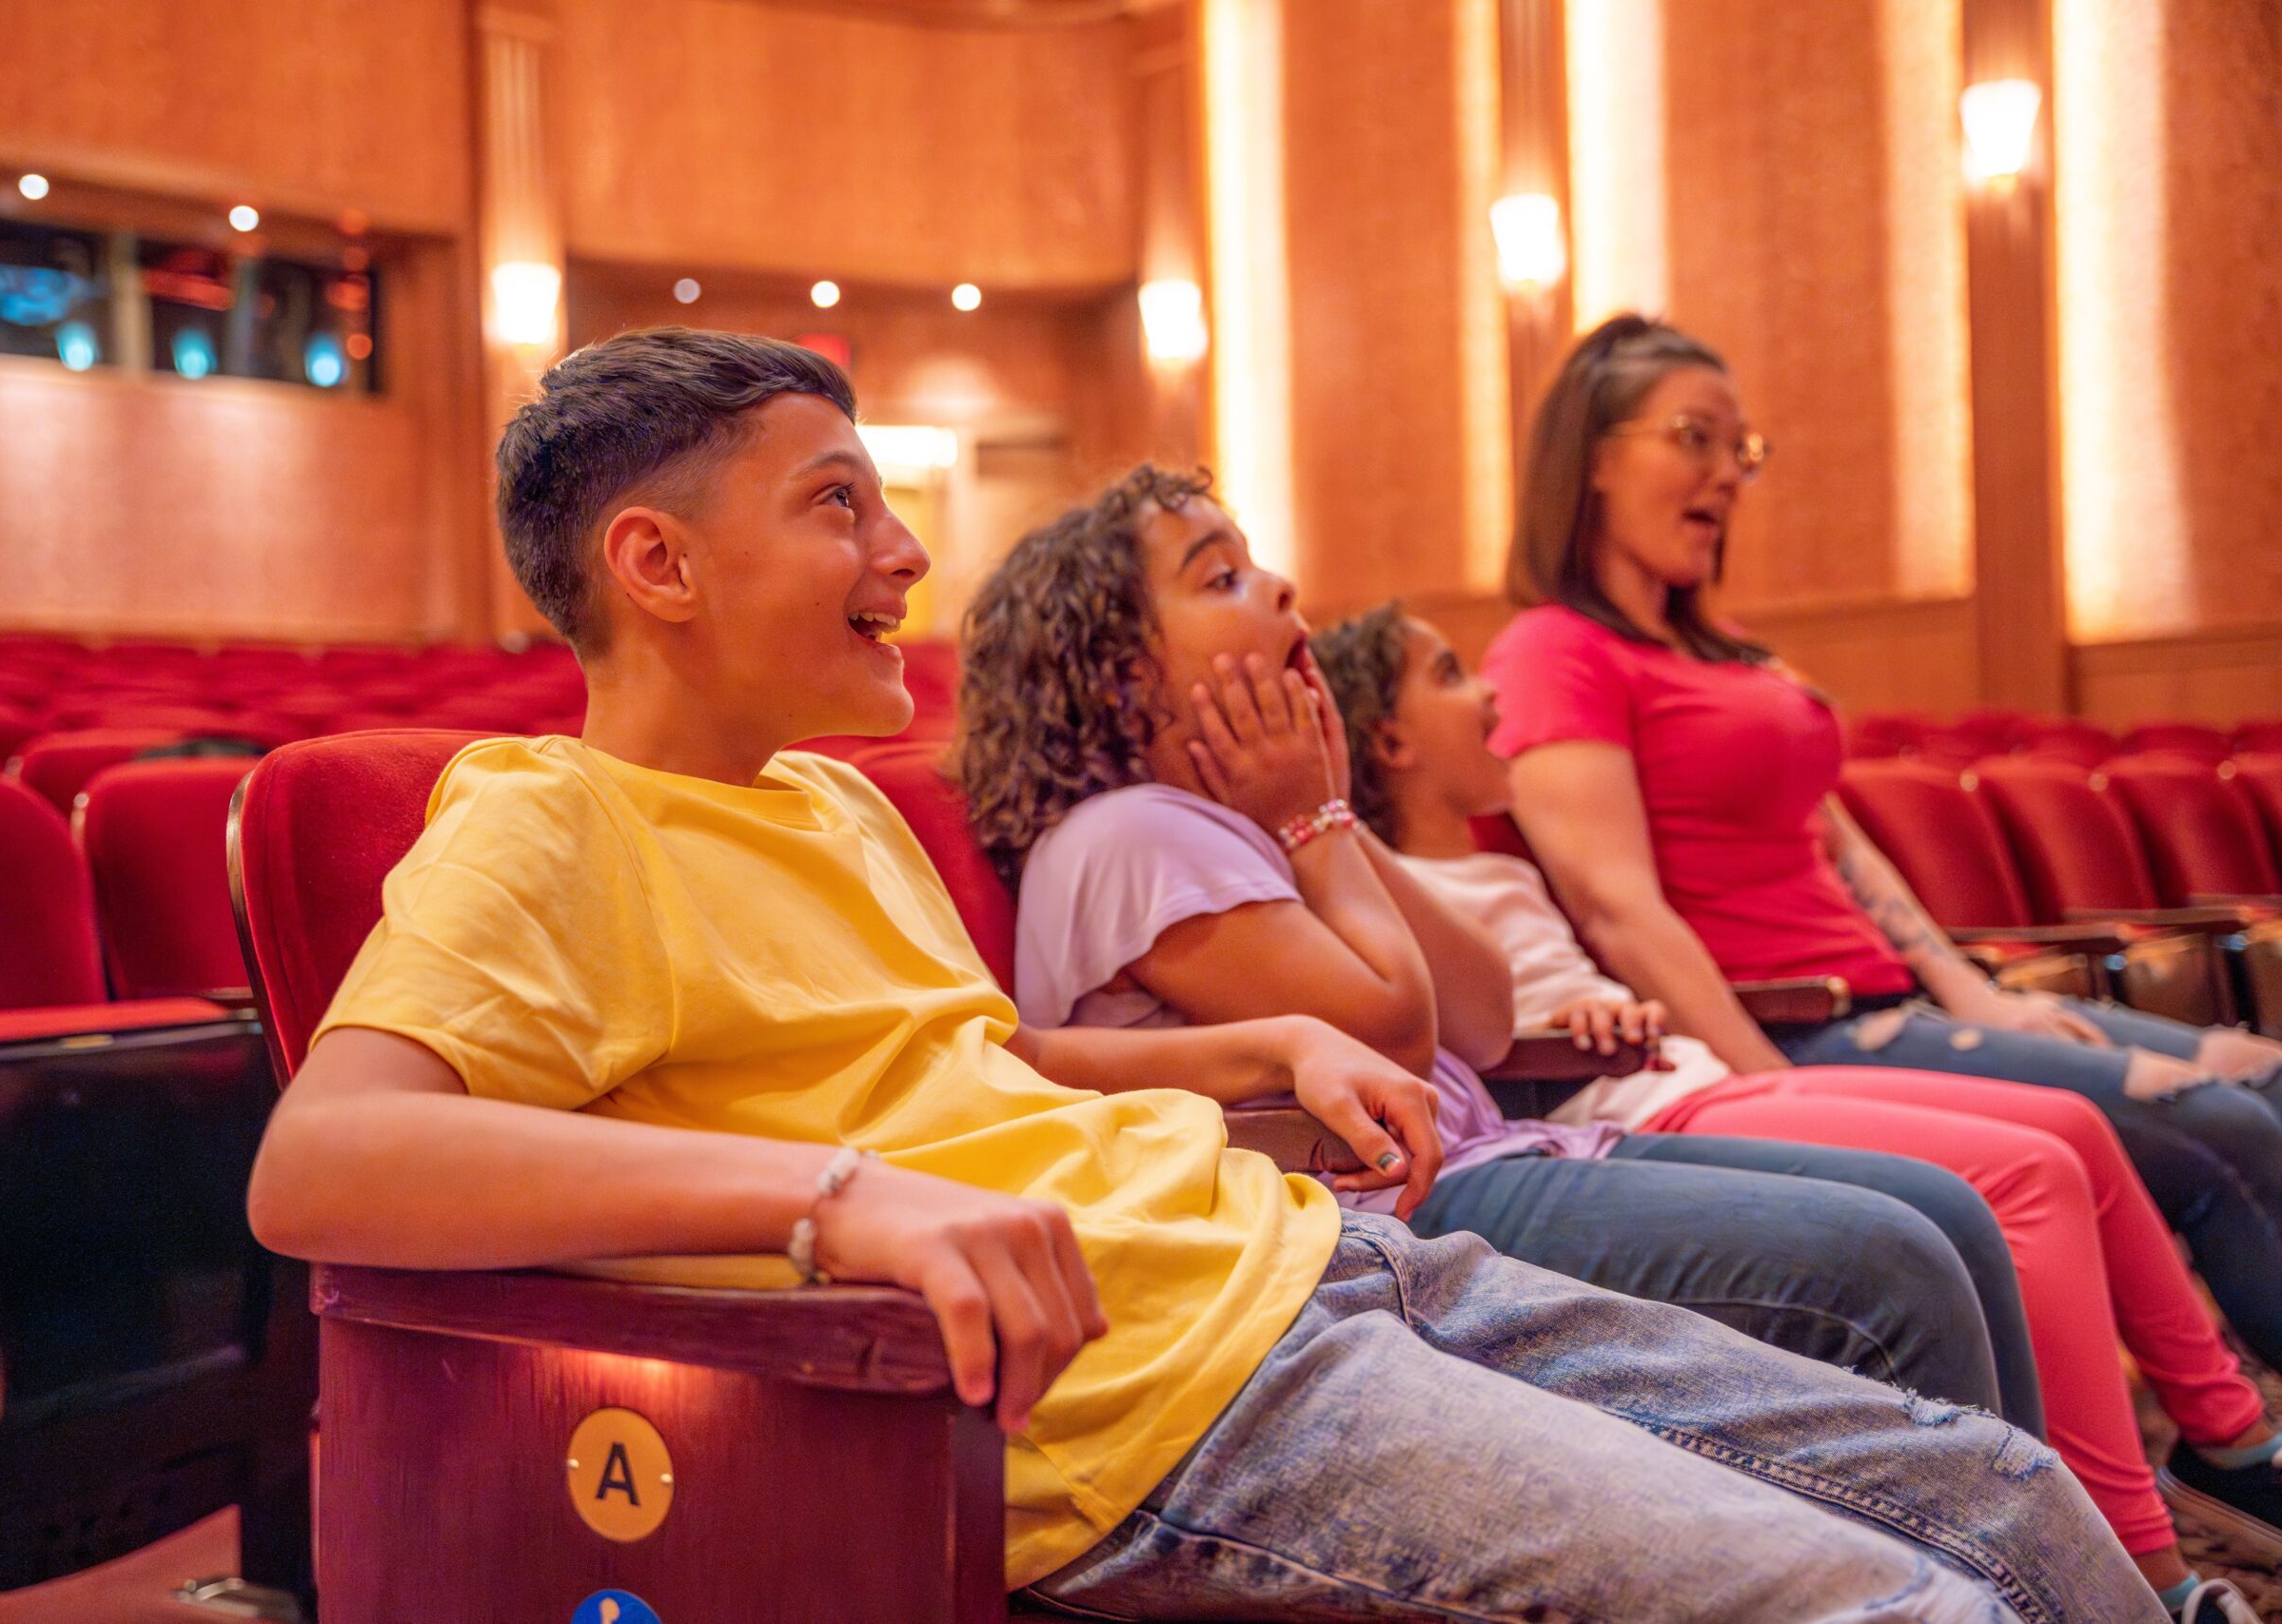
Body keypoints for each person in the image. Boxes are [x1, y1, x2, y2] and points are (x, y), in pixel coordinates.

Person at [244, 327, 2160, 1623]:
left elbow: (975, 1071)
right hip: (1158, 1408)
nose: (907, 551)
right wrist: (831, 1197)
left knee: (1985, 1487)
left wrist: (1244, 1043)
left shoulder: (827, 811)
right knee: (1899, 1604)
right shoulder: (540, 826)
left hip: (1321, 1260)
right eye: (838, 502)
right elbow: (322, 1166)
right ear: (653, 563)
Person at [956, 463, 2029, 1415]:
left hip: (1489, 1159)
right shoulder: (1127, 837)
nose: (1281, 588)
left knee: (1944, 1211)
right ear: (1120, 678)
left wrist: (1328, 812)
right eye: (1220, 577)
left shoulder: (1249, 822)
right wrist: (1317, 825)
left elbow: (1480, 1010)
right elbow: (1398, 1041)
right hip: (1390, 1222)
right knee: (1893, 1262)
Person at [1478, 314, 2282, 1562]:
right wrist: (1771, 1084)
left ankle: (2228, 1437)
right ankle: (2239, 1453)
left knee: (2253, 1072)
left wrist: (1982, 988)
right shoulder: (1551, 650)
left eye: (1738, 445)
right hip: (1807, 1017)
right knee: (2217, 1121)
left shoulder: (1724, 650)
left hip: (1907, 991)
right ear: (1591, 453)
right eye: (1693, 438)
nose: (1727, 473)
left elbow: (1841, 838)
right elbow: (1619, 906)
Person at [1317, 599, 2282, 1606]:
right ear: (1388, 740)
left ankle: (2202, 1472)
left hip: (1680, 1069)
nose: (1491, 696)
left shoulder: (1507, 860)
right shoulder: (1389, 884)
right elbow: (1458, 1031)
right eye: (1446, 675)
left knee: (2064, 1136)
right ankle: (2138, 1575)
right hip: (1635, 1102)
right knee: (2024, 1176)